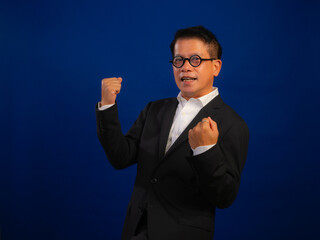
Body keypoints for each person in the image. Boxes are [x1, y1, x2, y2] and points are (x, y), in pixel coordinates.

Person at [96, 26, 249, 240]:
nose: (185, 67)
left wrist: (205, 150)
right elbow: (120, 157)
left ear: (216, 66)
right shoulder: (154, 109)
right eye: (178, 60)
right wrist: (107, 107)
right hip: (136, 229)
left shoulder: (233, 124)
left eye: (195, 59)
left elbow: (224, 196)